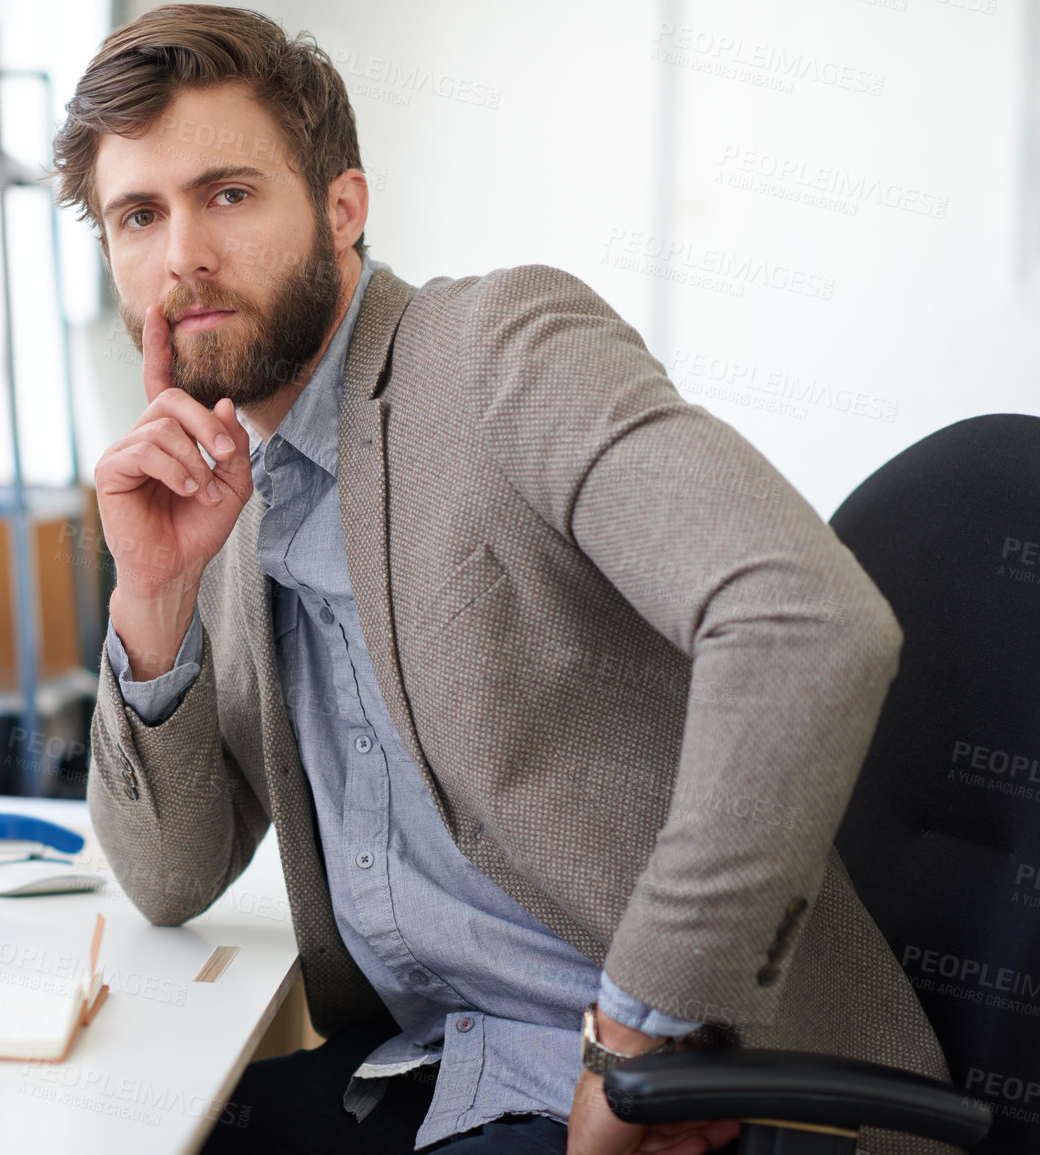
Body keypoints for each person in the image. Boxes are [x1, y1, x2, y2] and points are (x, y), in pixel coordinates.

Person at [52, 7, 953, 1155]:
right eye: (140, 215)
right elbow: (169, 878)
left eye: (228, 194)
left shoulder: (500, 350)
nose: (182, 255)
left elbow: (807, 622)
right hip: (440, 1069)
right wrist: (153, 596)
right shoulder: (220, 482)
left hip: (688, 1105)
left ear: (342, 208)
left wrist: (642, 1041)